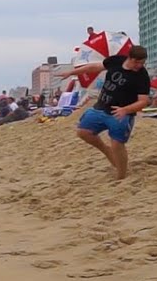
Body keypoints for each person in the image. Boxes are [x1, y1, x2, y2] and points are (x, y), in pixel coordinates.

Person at [64, 45, 152, 180]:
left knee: (117, 144)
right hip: (101, 107)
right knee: (83, 132)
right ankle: (106, 150)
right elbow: (94, 67)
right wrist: (71, 73)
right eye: (137, 62)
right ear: (130, 58)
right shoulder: (116, 61)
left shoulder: (142, 76)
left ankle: (121, 176)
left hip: (121, 113)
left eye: (142, 63)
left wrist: (125, 109)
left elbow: (143, 101)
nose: (139, 66)